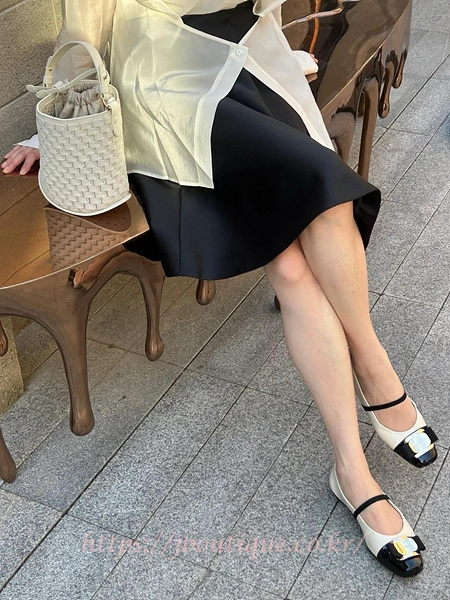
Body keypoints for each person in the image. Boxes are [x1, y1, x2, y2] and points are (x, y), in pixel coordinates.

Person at [1, 0, 437, 577]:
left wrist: (279, 47)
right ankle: (360, 449)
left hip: (246, 55)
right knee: (303, 226)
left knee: (322, 215)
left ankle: (364, 390)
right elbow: (85, 25)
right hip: (166, 83)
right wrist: (55, 120)